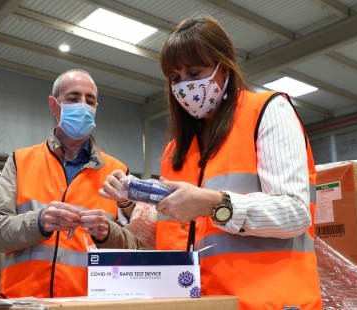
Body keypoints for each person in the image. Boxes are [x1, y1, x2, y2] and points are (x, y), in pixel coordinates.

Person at [98, 14, 323, 309]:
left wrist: (212, 203)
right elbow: (176, 236)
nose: (184, 87)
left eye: (195, 72)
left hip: (269, 302)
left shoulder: (267, 112)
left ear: (224, 68)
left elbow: (295, 213)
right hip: (201, 303)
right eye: (175, 78)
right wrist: (130, 203)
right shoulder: (175, 150)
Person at [0, 69, 141, 298]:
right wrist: (39, 222)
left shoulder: (117, 173)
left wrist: (108, 233)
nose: (83, 106)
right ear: (53, 105)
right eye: (73, 98)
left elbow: (138, 247)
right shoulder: (20, 161)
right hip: (24, 303)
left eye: (90, 100)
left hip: (89, 304)